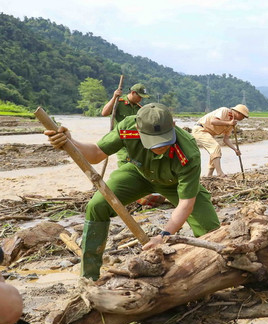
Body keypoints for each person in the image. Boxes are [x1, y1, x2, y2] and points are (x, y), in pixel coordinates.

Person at [45, 103, 220, 280]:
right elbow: (96, 154)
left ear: (173, 125)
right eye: (153, 141)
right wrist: (69, 142)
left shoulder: (188, 152)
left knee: (211, 230)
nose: (160, 146)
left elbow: (185, 203)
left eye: (165, 140)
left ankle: (210, 275)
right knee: (97, 206)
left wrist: (164, 236)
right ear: (138, 129)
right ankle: (89, 276)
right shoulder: (128, 128)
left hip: (174, 184)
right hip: (139, 174)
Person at [191, 105, 249, 177]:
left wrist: (235, 149)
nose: (243, 118)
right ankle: (220, 173)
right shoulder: (224, 111)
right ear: (238, 113)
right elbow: (213, 121)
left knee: (214, 152)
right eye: (243, 116)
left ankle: (209, 175)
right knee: (215, 147)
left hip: (209, 133)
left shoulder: (232, 124)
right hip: (200, 129)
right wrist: (229, 123)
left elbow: (226, 139)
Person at [100, 83, 151, 166]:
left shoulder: (139, 109)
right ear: (133, 93)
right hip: (120, 140)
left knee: (138, 164)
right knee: (125, 160)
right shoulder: (118, 103)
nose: (140, 99)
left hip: (135, 141)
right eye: (139, 96)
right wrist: (114, 97)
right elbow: (104, 113)